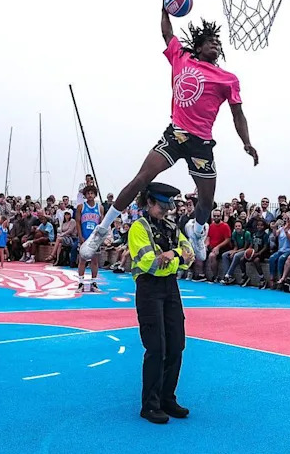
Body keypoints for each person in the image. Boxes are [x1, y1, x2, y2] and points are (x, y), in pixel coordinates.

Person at [79, 1, 258, 265]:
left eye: (218, 43)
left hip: (201, 143)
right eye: (210, 42)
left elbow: (237, 114)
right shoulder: (181, 57)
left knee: (206, 201)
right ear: (198, 46)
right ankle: (101, 229)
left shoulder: (227, 78)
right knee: (142, 178)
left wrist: (247, 142)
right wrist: (164, 11)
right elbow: (167, 34)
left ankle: (197, 232)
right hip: (176, 134)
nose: (215, 46)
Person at [125, 182, 194, 424]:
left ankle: (167, 398)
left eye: (168, 206)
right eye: (162, 206)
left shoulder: (172, 226)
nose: (166, 210)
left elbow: (190, 255)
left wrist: (172, 255)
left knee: (176, 344)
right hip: (149, 288)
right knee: (157, 348)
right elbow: (149, 263)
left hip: (170, 288)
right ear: (149, 202)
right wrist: (176, 257)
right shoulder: (138, 228)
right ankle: (150, 405)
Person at [76, 186, 104, 290]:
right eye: (88, 193)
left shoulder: (99, 207)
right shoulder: (81, 207)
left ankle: (94, 283)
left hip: (94, 238)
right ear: (85, 195)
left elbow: (102, 224)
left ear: (95, 195)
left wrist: (100, 238)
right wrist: (80, 236)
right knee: (82, 260)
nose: (90, 195)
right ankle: (81, 283)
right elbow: (78, 222)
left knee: (94, 261)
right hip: (84, 237)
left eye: (92, 193)